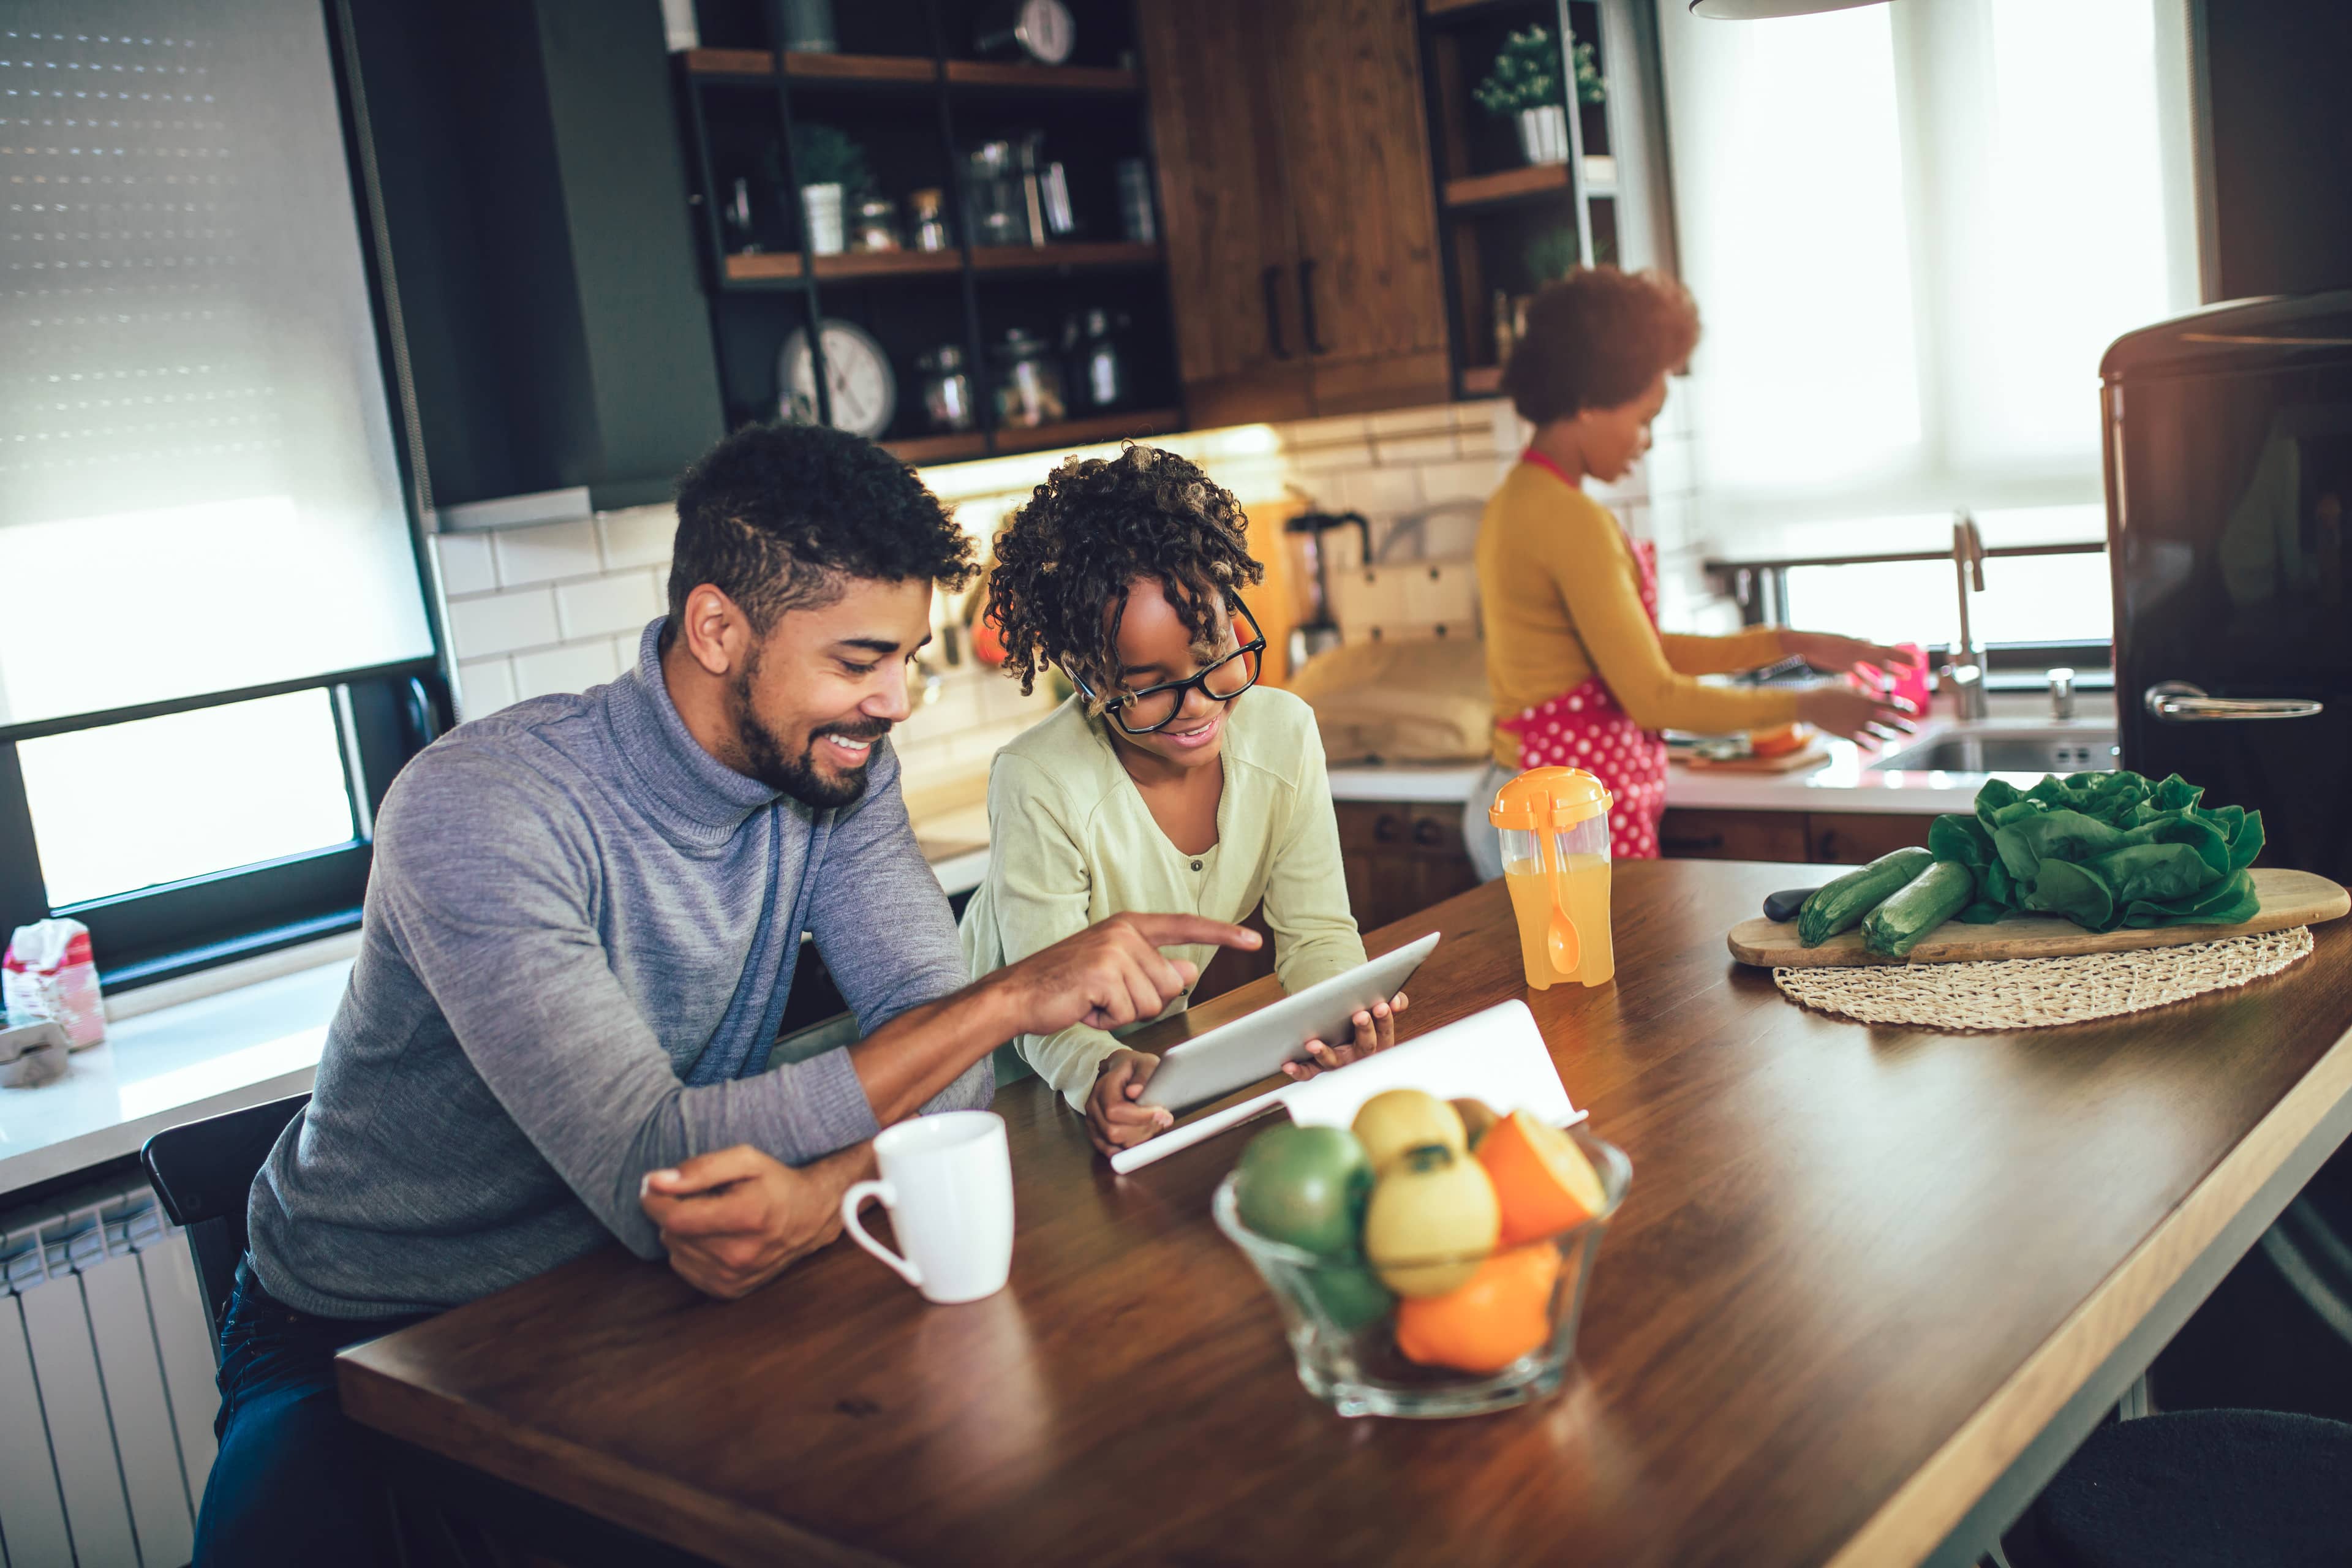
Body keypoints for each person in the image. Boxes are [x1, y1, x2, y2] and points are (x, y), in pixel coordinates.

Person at [194, 424, 1257, 1566]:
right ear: (718, 629)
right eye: (859, 662)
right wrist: (1010, 1000)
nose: (896, 701)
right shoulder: (483, 810)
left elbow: (943, 1072)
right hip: (364, 1343)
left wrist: (820, 1201)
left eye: (905, 658)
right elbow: (657, 1155)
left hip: (630, 1301)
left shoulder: (837, 771)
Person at [960, 445, 1405, 1157]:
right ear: (1085, 678)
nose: (1198, 704)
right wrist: (1096, 1070)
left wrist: (1345, 1015)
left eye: (1213, 653)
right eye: (1148, 685)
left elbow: (1318, 933)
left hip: (1145, 1079)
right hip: (1000, 1094)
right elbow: (1042, 1001)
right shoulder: (1038, 781)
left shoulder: (1285, 736)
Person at [1464, 269, 1916, 879]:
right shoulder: (1568, 519)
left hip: (1533, 799)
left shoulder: (1522, 499)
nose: (1646, 441)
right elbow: (1651, 696)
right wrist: (1804, 706)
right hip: (1552, 817)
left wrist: (1788, 645)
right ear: (1590, 402)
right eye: (1644, 416)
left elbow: (1642, 656)